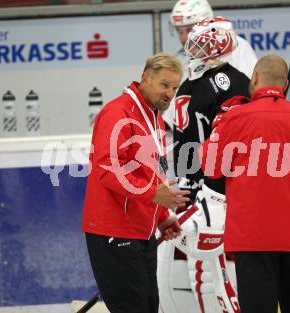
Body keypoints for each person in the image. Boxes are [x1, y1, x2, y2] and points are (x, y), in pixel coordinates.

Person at [199, 54, 290, 313]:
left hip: (252, 234)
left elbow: (211, 167)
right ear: (285, 83)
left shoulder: (236, 118)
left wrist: (219, 126)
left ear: (254, 78)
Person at [82, 52, 191, 313]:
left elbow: (150, 172)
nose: (169, 93)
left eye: (174, 87)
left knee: (148, 307)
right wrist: (153, 195)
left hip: (141, 230)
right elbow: (108, 169)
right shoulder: (117, 112)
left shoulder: (152, 117)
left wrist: (163, 216)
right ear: (145, 79)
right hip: (114, 230)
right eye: (164, 85)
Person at [158, 17, 251, 313]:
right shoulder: (198, 81)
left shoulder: (227, 82)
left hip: (214, 190)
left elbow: (229, 141)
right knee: (202, 266)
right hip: (204, 185)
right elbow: (188, 140)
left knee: (214, 267)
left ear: (218, 46)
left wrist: (203, 187)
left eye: (200, 43)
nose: (192, 48)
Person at [162, 0, 258, 129]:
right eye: (180, 31)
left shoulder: (236, 46)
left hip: (231, 125)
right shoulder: (184, 55)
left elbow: (252, 90)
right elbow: (182, 99)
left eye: (189, 30)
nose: (184, 38)